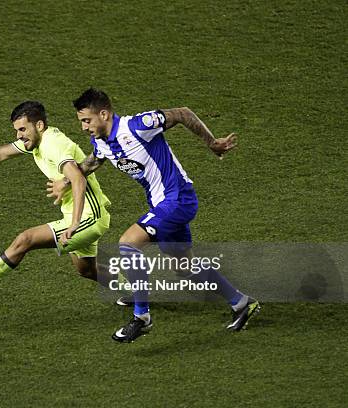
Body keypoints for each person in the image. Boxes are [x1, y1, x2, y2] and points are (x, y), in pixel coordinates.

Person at [47, 88, 260, 343]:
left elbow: (182, 113)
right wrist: (66, 182)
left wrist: (212, 142)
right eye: (81, 121)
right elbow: (92, 163)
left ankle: (142, 317)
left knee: (128, 243)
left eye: (86, 120)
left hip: (177, 199)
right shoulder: (101, 143)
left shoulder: (138, 126)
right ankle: (241, 302)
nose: (83, 127)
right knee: (184, 267)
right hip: (162, 205)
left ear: (103, 114)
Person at [0, 101, 112, 303]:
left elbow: (78, 178)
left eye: (22, 129)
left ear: (39, 125)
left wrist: (74, 224)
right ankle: (138, 291)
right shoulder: (36, 142)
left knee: (25, 240)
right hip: (79, 215)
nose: (19, 135)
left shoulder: (53, 145)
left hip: (88, 218)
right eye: (17, 131)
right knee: (86, 269)